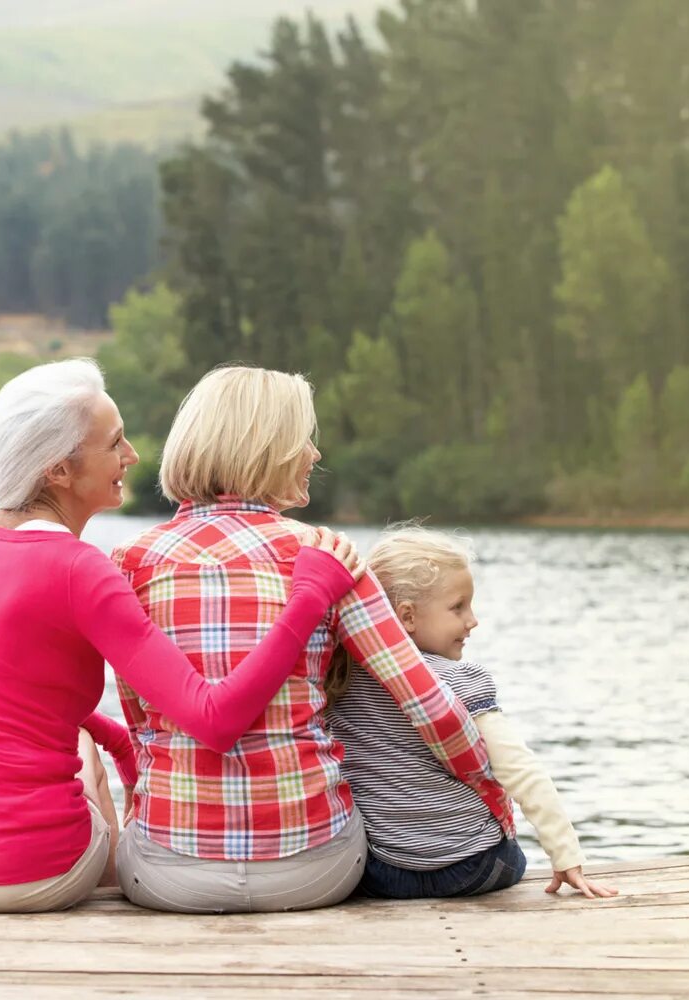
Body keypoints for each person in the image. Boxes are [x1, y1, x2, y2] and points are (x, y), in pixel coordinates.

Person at [0, 358, 362, 913]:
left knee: (66, 729)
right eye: (115, 443)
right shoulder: (80, 569)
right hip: (24, 872)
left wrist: (122, 744)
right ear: (59, 471)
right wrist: (309, 598)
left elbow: (9, 700)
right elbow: (215, 720)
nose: (132, 457)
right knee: (78, 748)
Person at [110, 365, 512, 914]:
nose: (314, 455)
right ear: (267, 446)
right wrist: (492, 794)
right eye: (304, 439)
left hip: (170, 876)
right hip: (315, 869)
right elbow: (431, 707)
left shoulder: (129, 564)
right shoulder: (328, 555)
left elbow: (139, 723)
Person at [326, 525, 618, 900]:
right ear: (407, 616)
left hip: (385, 872)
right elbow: (520, 771)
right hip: (472, 868)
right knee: (510, 852)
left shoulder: (341, 680)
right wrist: (566, 856)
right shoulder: (459, 680)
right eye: (458, 607)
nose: (473, 620)